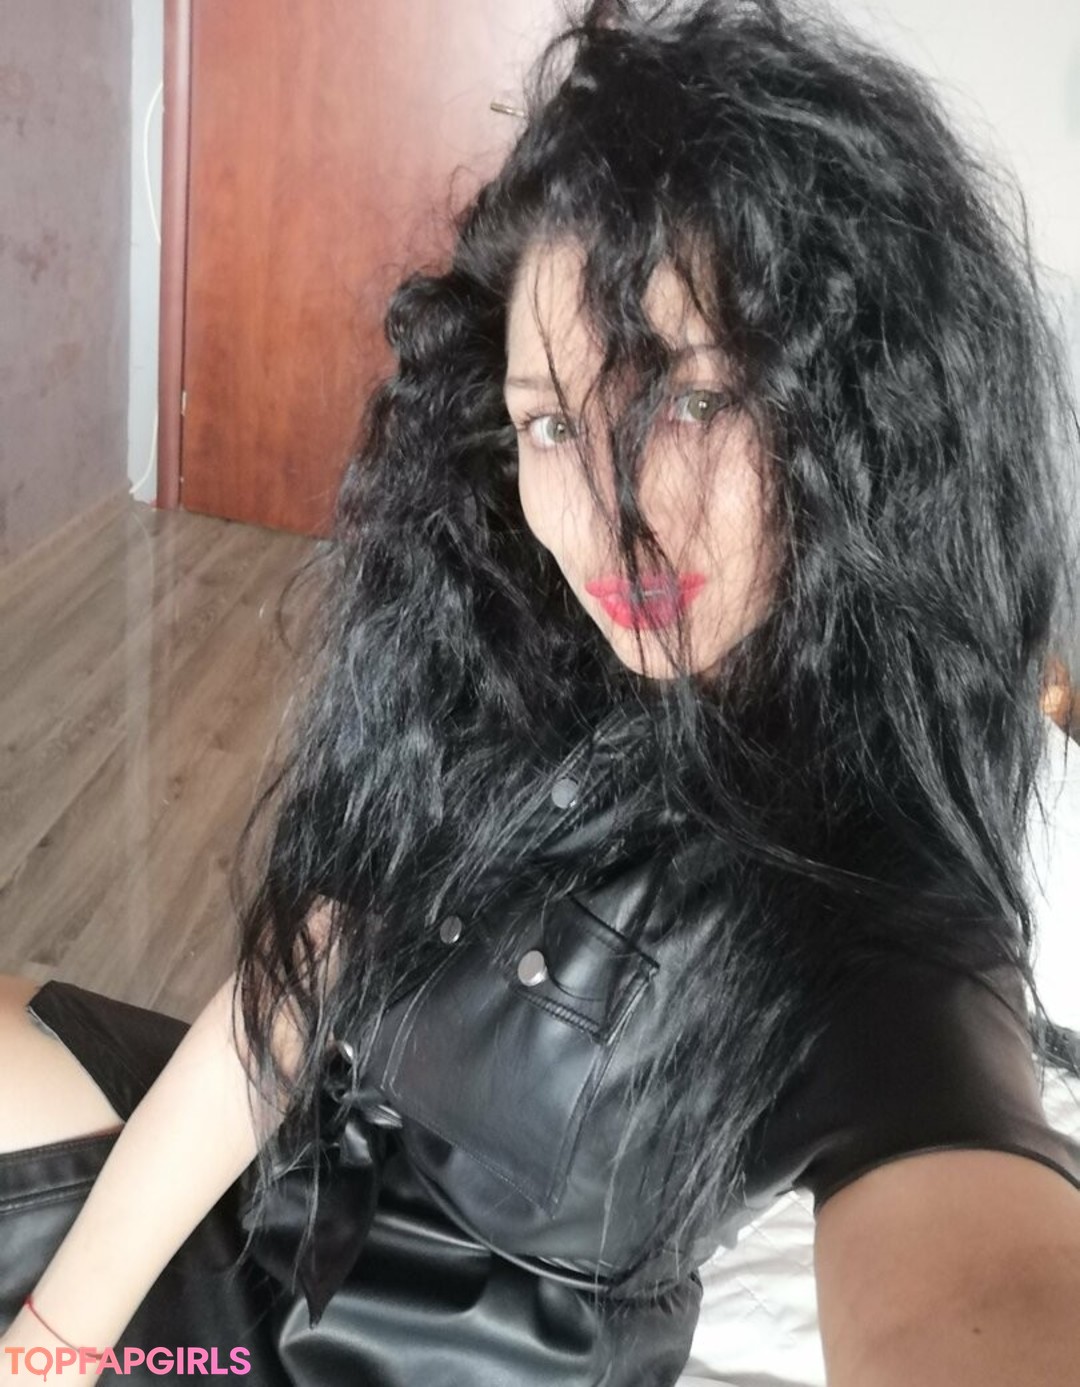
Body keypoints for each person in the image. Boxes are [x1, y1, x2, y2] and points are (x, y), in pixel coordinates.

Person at [3, 1, 1080, 1383]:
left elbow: (973, 1242)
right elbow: (299, 987)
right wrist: (54, 1344)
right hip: (289, 1193)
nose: (609, 521)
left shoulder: (872, 884)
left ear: (859, 412)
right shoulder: (520, 644)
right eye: (554, 423)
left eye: (689, 399)